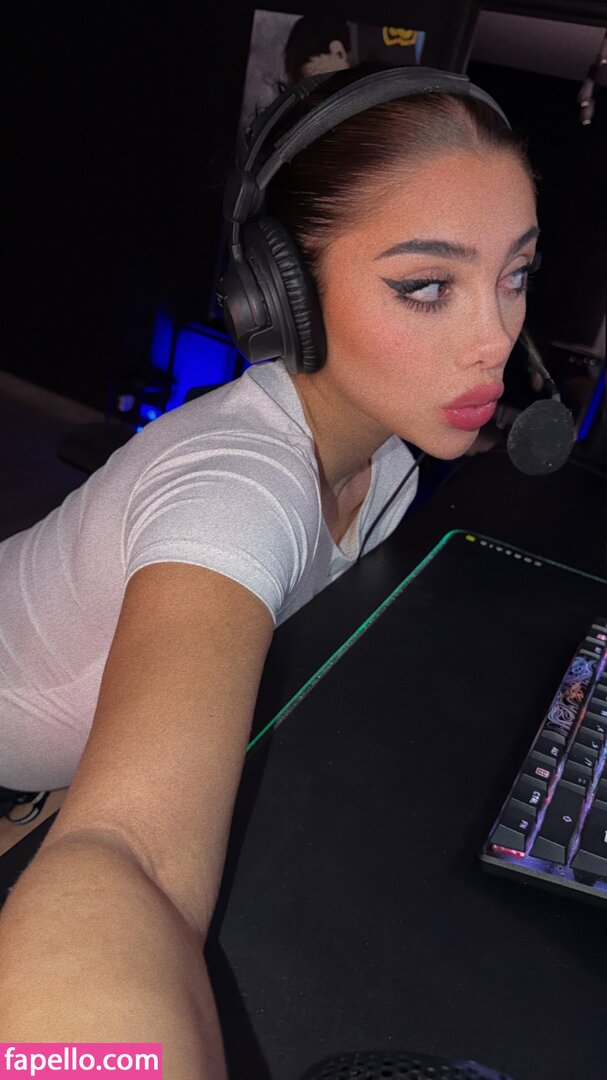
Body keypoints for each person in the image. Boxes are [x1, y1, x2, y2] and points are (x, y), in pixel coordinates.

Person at [0, 65, 540, 1076]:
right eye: (426, 286)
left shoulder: (382, 457)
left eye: (514, 274)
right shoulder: (238, 486)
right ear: (282, 293)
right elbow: (127, 859)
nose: (495, 338)